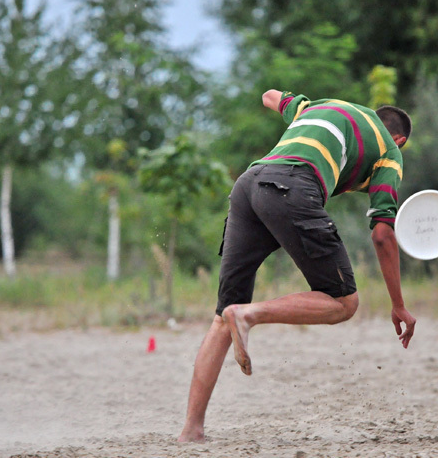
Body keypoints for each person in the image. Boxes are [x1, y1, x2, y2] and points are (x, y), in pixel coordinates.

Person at [178, 89, 417, 442]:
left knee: (221, 315)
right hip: (292, 185)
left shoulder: (320, 107)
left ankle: (191, 430)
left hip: (249, 183)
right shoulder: (390, 151)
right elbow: (382, 234)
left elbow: (269, 96)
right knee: (344, 302)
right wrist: (398, 304)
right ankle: (248, 315)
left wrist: (289, 108)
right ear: (398, 138)